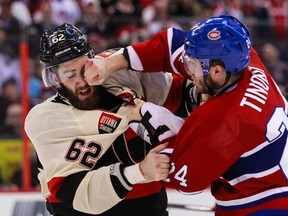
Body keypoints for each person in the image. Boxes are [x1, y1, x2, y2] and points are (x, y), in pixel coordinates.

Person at [84, 15, 288, 215]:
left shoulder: (224, 121)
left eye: (194, 65)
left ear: (216, 71)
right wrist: (110, 63)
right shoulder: (246, 61)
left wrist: (145, 119)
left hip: (264, 202)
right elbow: (170, 46)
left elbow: (188, 179)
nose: (188, 69)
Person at [24, 23, 198, 216]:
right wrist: (140, 171)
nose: (82, 81)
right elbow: (74, 192)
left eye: (84, 68)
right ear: (55, 79)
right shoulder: (46, 120)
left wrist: (205, 90)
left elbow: (181, 93)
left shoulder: (120, 72)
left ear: (92, 59)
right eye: (70, 75)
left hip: (147, 206)